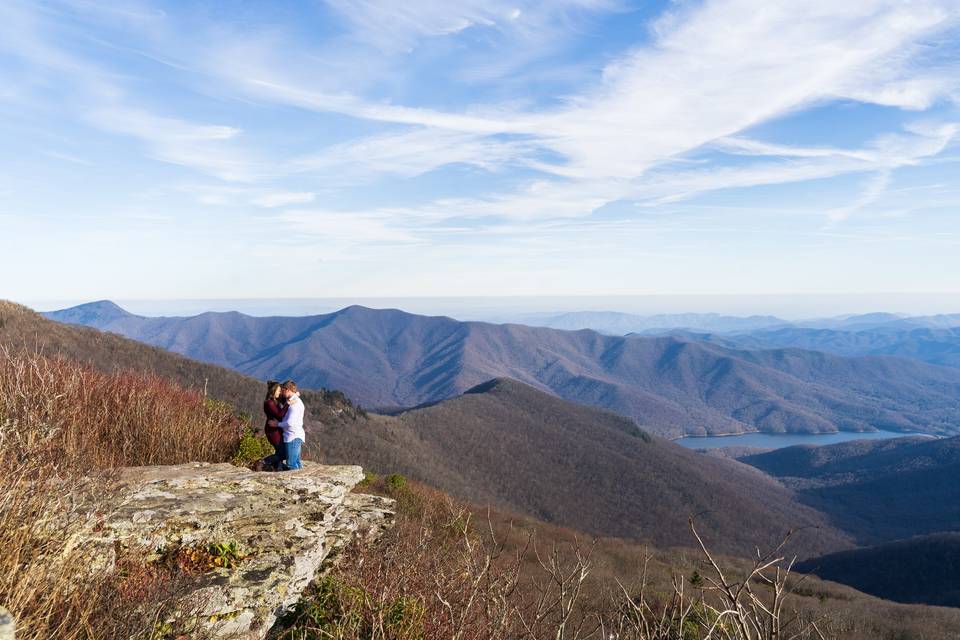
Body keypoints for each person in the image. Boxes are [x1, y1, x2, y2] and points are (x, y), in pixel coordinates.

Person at [276, 380, 305, 470]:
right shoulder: (294, 400)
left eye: (283, 390)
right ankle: (302, 480)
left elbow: (290, 423)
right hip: (295, 435)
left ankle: (297, 482)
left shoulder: (294, 405)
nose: (281, 392)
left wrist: (277, 424)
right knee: (296, 462)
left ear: (287, 390)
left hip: (292, 436)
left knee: (291, 463)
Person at [262, 380, 287, 471]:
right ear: (273, 391)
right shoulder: (269, 403)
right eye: (279, 391)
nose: (280, 392)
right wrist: (288, 404)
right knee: (283, 452)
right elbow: (279, 414)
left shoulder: (275, 401)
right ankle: (263, 462)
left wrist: (292, 395)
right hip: (272, 431)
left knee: (279, 450)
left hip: (277, 429)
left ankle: (278, 468)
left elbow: (285, 399)